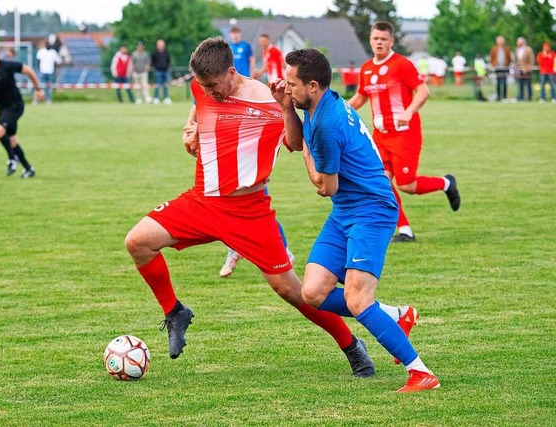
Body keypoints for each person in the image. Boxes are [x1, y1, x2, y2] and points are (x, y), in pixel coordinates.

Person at [124, 36, 375, 377]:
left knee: (293, 291)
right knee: (137, 242)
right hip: (201, 200)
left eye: (214, 86)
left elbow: (295, 142)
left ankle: (351, 346)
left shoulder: (265, 99)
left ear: (231, 72)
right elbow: (196, 116)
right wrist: (190, 131)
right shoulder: (204, 90)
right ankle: (175, 312)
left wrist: (286, 107)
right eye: (203, 86)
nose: (209, 93)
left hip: (249, 211)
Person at [272, 47, 440, 393]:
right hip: (346, 211)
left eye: (292, 85)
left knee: (358, 299)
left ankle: (421, 372)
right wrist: (287, 107)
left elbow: (324, 185)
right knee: (313, 292)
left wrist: (306, 147)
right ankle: (396, 316)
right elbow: (293, 139)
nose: (287, 88)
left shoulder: (326, 125)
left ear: (313, 85)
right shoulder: (324, 104)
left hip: (372, 210)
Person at [348, 21, 460, 243]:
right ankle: (405, 230)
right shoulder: (367, 68)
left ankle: (446, 183)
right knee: (381, 182)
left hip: (404, 135)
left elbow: (423, 90)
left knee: (406, 185)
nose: (379, 42)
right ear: (370, 40)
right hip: (380, 137)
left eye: (383, 39)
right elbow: (361, 97)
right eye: (375, 39)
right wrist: (340, 111)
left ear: (391, 41)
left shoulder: (401, 65)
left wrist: (409, 112)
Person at [222, 27, 293, 278]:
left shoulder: (260, 91)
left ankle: (280, 251)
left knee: (255, 209)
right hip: (230, 164)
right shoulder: (221, 89)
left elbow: (286, 135)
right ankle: (235, 251)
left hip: (250, 164)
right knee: (228, 209)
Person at [0, 39, 43, 178]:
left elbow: (28, 70)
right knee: (12, 140)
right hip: (2, 108)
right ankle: (28, 169)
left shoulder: (7, 66)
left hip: (15, 105)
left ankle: (12, 158)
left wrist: (38, 89)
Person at [489, 35, 512, 101]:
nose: (501, 42)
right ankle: (498, 97)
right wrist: (494, 65)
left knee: (504, 83)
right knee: (498, 83)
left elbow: (509, 58)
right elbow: (491, 58)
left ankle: (504, 97)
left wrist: (508, 65)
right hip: (497, 68)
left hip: (505, 68)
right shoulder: (494, 49)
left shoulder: (507, 49)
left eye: (502, 41)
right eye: (500, 41)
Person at [151, 39, 172, 105]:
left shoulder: (166, 53)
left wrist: (167, 66)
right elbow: (152, 61)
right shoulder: (154, 53)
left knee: (165, 85)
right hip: (157, 71)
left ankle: (166, 98)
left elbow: (168, 61)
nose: (161, 46)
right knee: (157, 84)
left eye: (162, 44)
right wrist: (156, 66)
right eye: (160, 44)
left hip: (165, 71)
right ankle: (156, 98)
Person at [515, 37, 534, 102]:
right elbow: (517, 61)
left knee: (528, 84)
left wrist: (527, 69)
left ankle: (529, 98)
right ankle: (521, 97)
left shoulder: (528, 50)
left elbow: (531, 61)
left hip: (527, 70)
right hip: (519, 70)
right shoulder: (517, 49)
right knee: (520, 85)